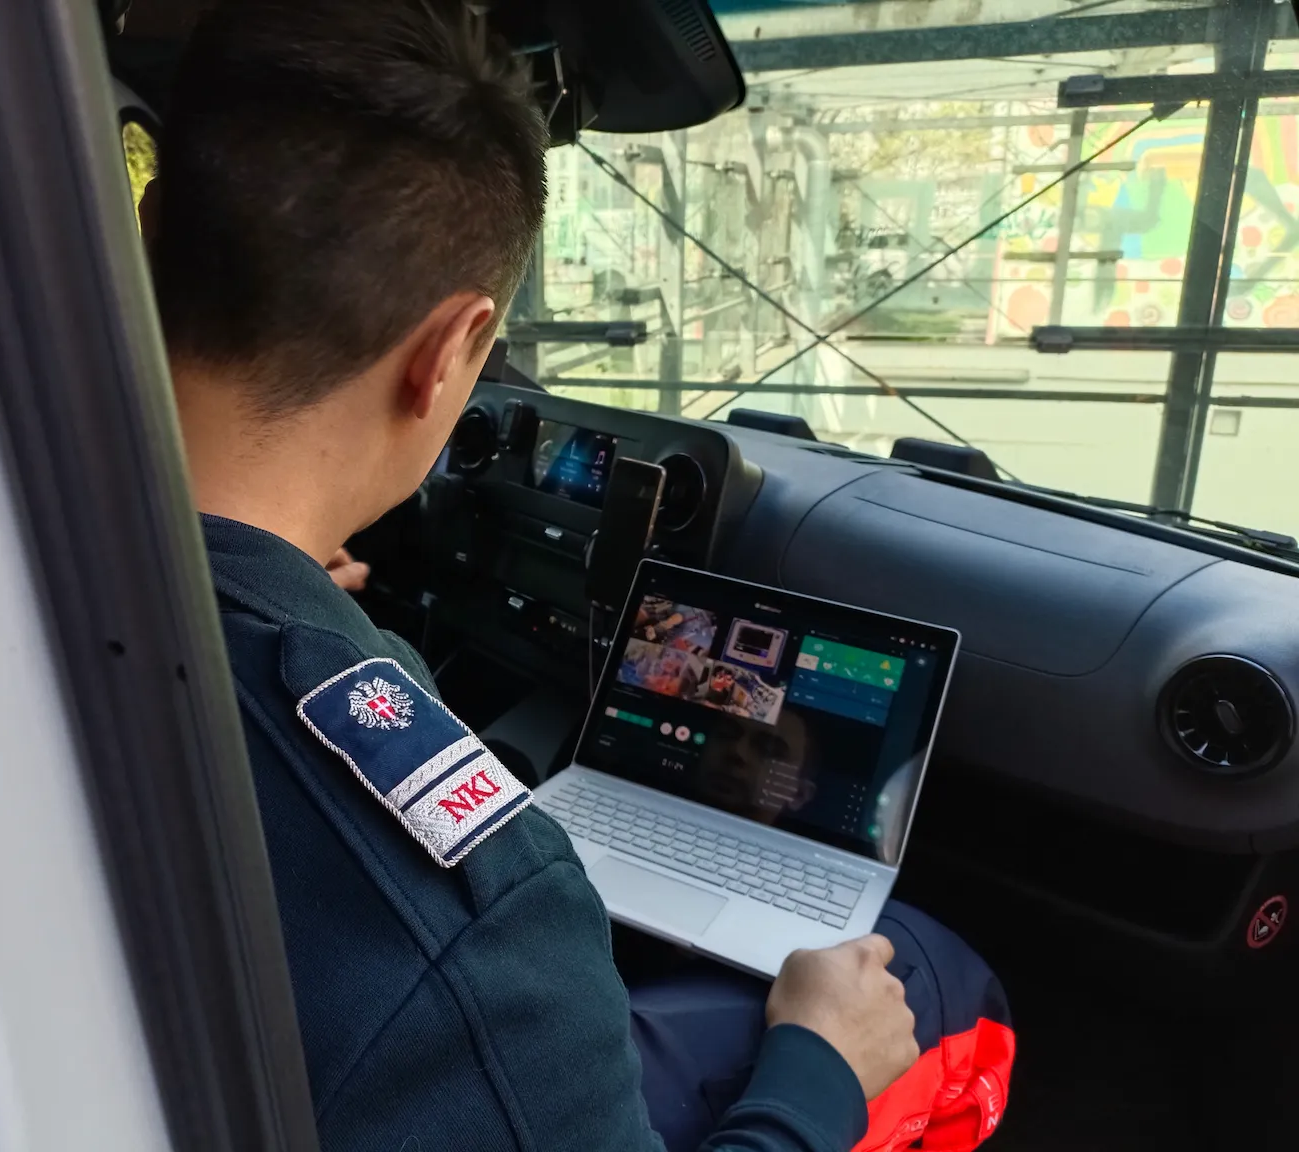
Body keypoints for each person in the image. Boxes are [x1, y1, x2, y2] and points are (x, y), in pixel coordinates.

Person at [142, 2, 1014, 1150]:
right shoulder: (492, 915)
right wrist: (815, 1073)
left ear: (150, 231)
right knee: (946, 981)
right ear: (452, 351)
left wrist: (277, 587)